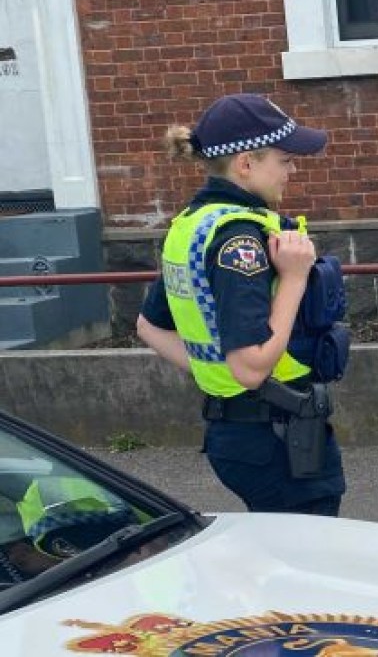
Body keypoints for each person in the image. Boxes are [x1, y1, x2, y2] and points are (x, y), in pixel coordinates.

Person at [136, 93, 346, 516]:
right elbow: (251, 367)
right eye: (284, 161)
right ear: (246, 163)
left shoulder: (192, 226)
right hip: (274, 439)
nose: (292, 171)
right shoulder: (240, 241)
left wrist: (216, 377)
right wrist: (293, 277)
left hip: (240, 433)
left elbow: (149, 326)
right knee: (303, 568)